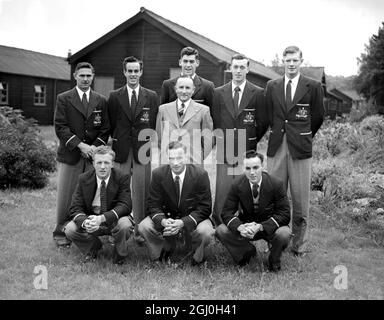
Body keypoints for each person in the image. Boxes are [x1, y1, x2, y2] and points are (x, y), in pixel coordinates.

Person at [265, 46, 324, 256]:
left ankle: (299, 245)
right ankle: (274, 240)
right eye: (287, 60)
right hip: (277, 146)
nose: (291, 64)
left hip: (300, 148)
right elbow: (268, 114)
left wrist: (302, 135)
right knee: (274, 195)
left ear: (301, 61)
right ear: (283, 61)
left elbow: (317, 117)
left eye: (295, 60)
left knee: (300, 198)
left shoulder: (313, 86)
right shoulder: (272, 86)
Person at [53, 62, 109, 247]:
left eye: (89, 76)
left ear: (93, 77)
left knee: (91, 194)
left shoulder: (100, 99)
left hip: (92, 156)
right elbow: (60, 127)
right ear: (75, 76)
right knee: (67, 196)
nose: (86, 79)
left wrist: (93, 149)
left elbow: (105, 128)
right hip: (72, 155)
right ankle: (61, 233)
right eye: (82, 75)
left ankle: (86, 230)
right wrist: (81, 146)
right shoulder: (64, 98)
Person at [211, 53, 268, 226]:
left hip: (247, 148)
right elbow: (215, 120)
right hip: (226, 147)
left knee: (245, 187)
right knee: (223, 188)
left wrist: (250, 139)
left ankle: (244, 223)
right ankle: (219, 224)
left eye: (242, 67)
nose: (238, 70)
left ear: (247, 69)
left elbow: (263, 122)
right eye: (235, 67)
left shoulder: (257, 93)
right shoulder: (218, 93)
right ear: (230, 68)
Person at [107, 56, 159, 244]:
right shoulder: (114, 96)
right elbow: (112, 123)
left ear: (141, 72)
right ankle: (117, 230)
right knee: (118, 190)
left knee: (142, 190)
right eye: (130, 71)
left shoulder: (151, 96)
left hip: (142, 148)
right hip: (121, 149)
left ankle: (140, 232)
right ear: (124, 72)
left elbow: (152, 122)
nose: (133, 74)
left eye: (136, 71)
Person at [138, 141, 214, 266]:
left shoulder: (200, 175)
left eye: (179, 158)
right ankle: (161, 253)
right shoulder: (158, 174)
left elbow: (205, 207)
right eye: (171, 158)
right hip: (167, 217)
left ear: (186, 156)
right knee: (144, 226)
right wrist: (163, 221)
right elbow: (153, 204)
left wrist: (183, 222)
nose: (175, 163)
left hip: (192, 216)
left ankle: (197, 257)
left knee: (206, 231)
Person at [215, 151, 291, 272]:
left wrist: (261, 226)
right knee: (221, 230)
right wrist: (240, 227)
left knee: (284, 233)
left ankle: (274, 260)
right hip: (246, 226)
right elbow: (226, 213)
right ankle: (246, 252)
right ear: (243, 168)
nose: (252, 172)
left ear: (263, 166)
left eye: (256, 167)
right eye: (248, 168)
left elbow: (285, 214)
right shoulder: (237, 184)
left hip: (268, 227)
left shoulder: (276, 184)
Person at [64, 146, 133, 264]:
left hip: (113, 219)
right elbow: (75, 207)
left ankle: (119, 256)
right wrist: (86, 222)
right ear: (93, 163)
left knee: (125, 225)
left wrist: (101, 219)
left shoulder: (122, 177)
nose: (102, 166)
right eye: (99, 162)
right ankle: (94, 248)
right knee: (70, 229)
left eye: (106, 162)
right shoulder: (83, 178)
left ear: (112, 164)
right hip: (92, 218)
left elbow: (125, 205)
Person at [156, 75, 213, 165]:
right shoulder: (163, 110)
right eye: (181, 87)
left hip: (193, 162)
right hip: (168, 161)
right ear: (175, 89)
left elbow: (208, 140)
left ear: (193, 90)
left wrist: (199, 156)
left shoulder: (203, 110)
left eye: (187, 88)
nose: (184, 91)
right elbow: (159, 137)